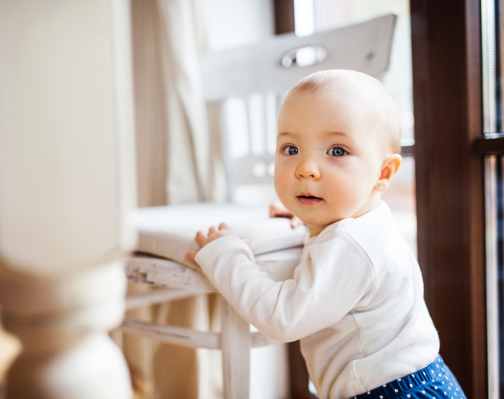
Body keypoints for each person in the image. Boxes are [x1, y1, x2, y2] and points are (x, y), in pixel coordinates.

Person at [186, 70, 466, 399]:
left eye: (336, 152)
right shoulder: (362, 219)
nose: (306, 168)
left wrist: (227, 256)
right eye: (290, 149)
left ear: (383, 173)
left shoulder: (353, 245)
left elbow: (283, 318)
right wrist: (309, 215)